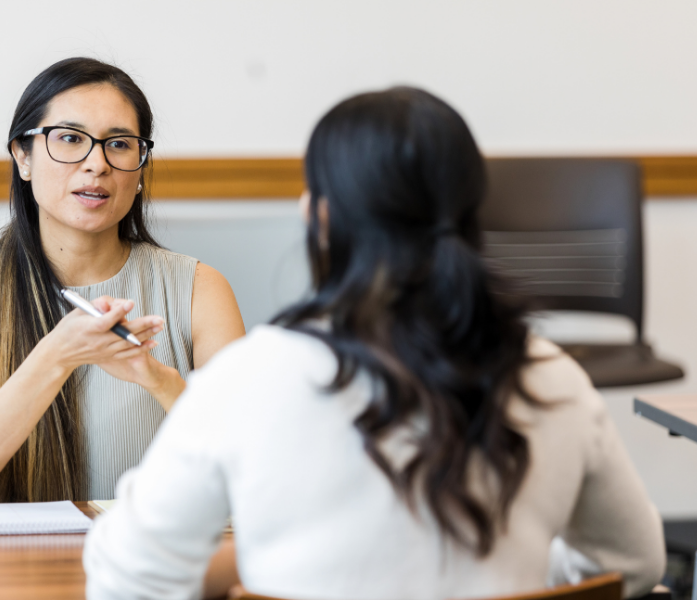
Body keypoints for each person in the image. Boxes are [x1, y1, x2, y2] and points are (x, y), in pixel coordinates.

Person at [83, 87, 665, 600]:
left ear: (320, 217)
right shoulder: (550, 375)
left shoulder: (254, 376)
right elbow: (632, 566)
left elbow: (126, 579)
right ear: (472, 216)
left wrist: (247, 569)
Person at [0, 57, 245, 505]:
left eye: (120, 144)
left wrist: (158, 381)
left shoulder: (201, 289)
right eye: (70, 139)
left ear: (141, 168)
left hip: (146, 566)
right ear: (23, 156)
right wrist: (58, 354)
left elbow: (247, 467)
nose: (97, 164)